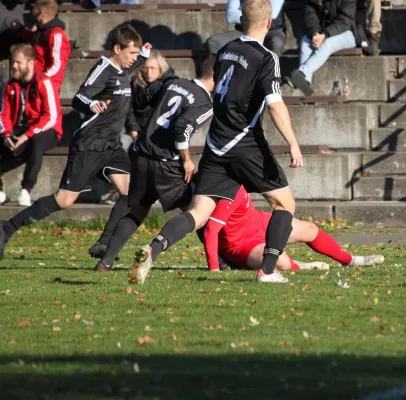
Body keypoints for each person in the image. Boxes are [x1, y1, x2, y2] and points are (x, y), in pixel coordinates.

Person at [128, 0, 303, 285]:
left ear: (241, 21)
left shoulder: (224, 51)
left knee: (198, 213)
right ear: (269, 24)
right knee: (284, 205)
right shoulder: (266, 57)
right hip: (245, 142)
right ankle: (268, 271)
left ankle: (152, 248)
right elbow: (275, 104)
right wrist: (293, 143)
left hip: (215, 144)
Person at [0, 25, 151, 260]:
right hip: (89, 145)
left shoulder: (124, 68)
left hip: (110, 145)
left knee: (130, 193)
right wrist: (92, 105)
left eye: (136, 54)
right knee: (64, 200)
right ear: (117, 49)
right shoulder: (104, 68)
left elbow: (131, 64)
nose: (134, 59)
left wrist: (143, 55)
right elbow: (80, 96)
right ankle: (6, 228)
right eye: (131, 53)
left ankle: (104, 243)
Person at [93, 53, 215, 273]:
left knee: (137, 210)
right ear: (216, 75)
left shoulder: (173, 82)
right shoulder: (205, 102)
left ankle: (105, 262)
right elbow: (182, 129)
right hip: (165, 163)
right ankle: (219, 261)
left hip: (141, 155)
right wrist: (187, 160)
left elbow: (140, 100)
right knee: (195, 212)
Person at [202, 186, 384, 272]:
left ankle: (351, 260)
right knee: (279, 261)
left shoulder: (239, 168)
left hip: (258, 222)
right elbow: (210, 230)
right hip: (240, 244)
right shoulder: (218, 187)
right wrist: (214, 269)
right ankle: (303, 266)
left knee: (310, 229)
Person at [0, 43, 62, 206]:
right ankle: (0, 193)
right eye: (13, 62)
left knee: (36, 142)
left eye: (18, 62)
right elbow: (3, 113)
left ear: (30, 62)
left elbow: (51, 116)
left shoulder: (44, 82)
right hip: (19, 130)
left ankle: (26, 189)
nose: (14, 66)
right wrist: (6, 134)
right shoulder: (10, 86)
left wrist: (26, 136)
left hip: (47, 130)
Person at [288, 0, 358, 96]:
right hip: (322, 33)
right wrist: (315, 33)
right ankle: (305, 83)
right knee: (305, 40)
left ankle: (301, 73)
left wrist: (324, 35)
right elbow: (310, 16)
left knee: (327, 43)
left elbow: (344, 21)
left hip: (348, 33)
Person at [12, 0, 71, 91]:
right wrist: (19, 29)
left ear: (41, 12)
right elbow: (33, 39)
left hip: (45, 87)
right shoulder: (42, 32)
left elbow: (57, 66)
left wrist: (42, 81)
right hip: (33, 83)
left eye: (34, 8)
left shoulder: (56, 35)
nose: (32, 10)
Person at [125, 51, 174, 144]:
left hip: (161, 130)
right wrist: (133, 131)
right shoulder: (134, 84)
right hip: (138, 128)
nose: (149, 72)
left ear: (160, 68)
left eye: (153, 68)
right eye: (145, 68)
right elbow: (128, 110)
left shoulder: (169, 84)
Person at [206, 0, 287, 57]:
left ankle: (268, 78)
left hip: (270, 31)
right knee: (214, 42)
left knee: (276, 42)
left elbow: (273, 14)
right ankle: (226, 77)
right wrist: (258, 15)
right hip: (243, 31)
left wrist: (246, 14)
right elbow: (231, 16)